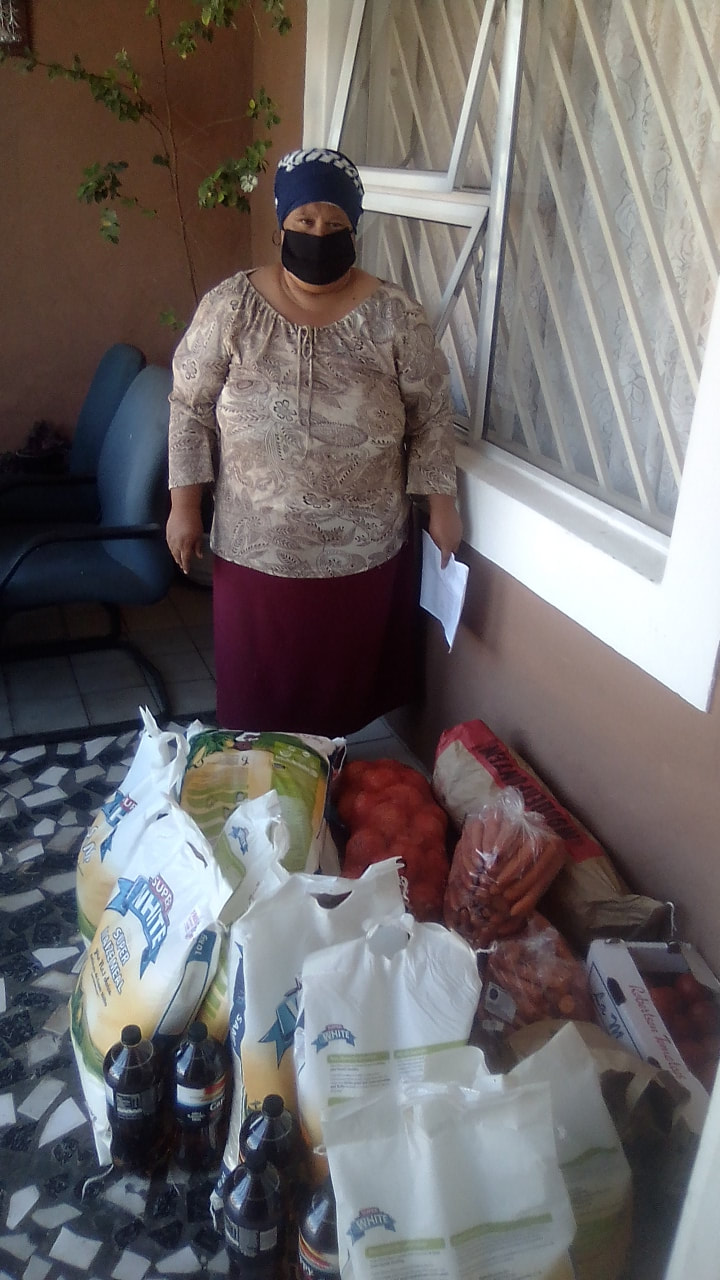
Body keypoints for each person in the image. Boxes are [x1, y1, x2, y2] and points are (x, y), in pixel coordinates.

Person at [166, 147, 462, 738]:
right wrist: (185, 506)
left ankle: (330, 781)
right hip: (256, 553)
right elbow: (189, 407)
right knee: (260, 706)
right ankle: (269, 784)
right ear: (281, 224)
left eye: (335, 223)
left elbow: (431, 413)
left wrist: (443, 507)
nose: (318, 234)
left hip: (362, 553)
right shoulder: (231, 308)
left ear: (355, 229)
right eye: (304, 219)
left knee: (338, 706)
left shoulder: (395, 315)